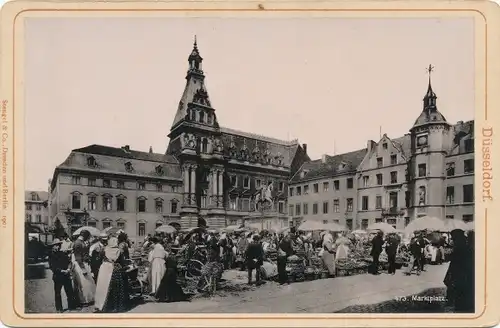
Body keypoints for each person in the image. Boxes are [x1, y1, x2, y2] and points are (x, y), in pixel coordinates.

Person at [94, 237, 130, 313]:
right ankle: (115, 307)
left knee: (103, 287)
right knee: (115, 288)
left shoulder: (103, 249)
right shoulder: (118, 251)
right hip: (115, 270)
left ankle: (103, 306)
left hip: (104, 269)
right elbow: (122, 262)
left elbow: (98, 259)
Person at [444, 229, 474, 313]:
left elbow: (455, 265)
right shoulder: (465, 248)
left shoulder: (461, 249)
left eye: (453, 239)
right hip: (463, 278)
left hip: (462, 278)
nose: (453, 241)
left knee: (461, 300)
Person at [48, 238, 77, 313]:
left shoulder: (62, 253)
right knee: (57, 293)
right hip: (58, 276)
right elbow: (52, 267)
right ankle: (59, 308)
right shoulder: (51, 255)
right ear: (53, 246)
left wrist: (68, 269)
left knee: (69, 291)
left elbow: (69, 262)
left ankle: (71, 306)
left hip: (66, 275)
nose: (58, 247)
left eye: (59, 245)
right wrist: (61, 271)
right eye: (56, 245)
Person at [71, 230, 96, 306]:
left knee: (87, 282)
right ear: (85, 236)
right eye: (87, 237)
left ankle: (87, 299)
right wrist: (83, 268)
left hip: (83, 263)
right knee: (83, 283)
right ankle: (83, 300)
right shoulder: (78, 243)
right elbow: (78, 257)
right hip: (80, 264)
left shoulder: (80, 242)